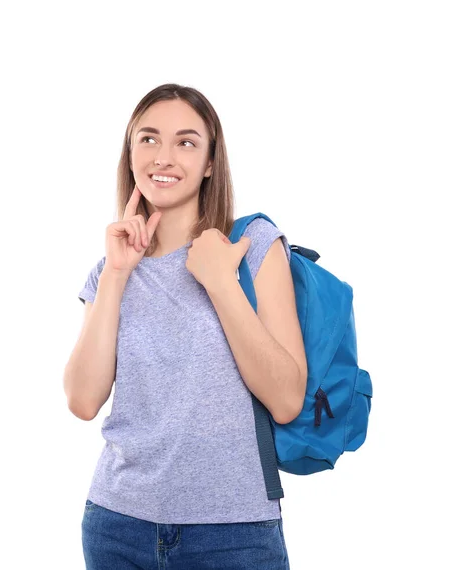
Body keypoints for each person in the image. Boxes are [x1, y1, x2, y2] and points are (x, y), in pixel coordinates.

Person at [64, 83, 308, 569]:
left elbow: (287, 399)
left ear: (211, 162)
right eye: (149, 139)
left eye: (187, 142)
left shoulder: (253, 246)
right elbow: (83, 400)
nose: (164, 156)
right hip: (118, 525)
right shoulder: (109, 269)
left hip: (235, 536)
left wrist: (221, 282)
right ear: (130, 154)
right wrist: (116, 274)